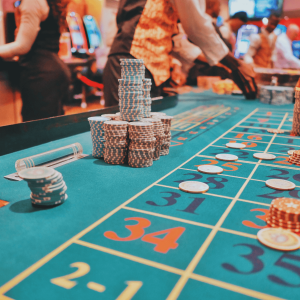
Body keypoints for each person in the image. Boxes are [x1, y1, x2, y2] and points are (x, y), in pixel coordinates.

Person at [103, 0, 257, 107]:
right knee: (123, 140)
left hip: (153, 72)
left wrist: (222, 63)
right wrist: (235, 64)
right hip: (129, 62)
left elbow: (175, 38)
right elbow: (195, 25)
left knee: (143, 142)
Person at [0, 0, 71, 122]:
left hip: (41, 75)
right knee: (53, 130)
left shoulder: (32, 1)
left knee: (38, 133)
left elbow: (23, 46)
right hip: (53, 71)